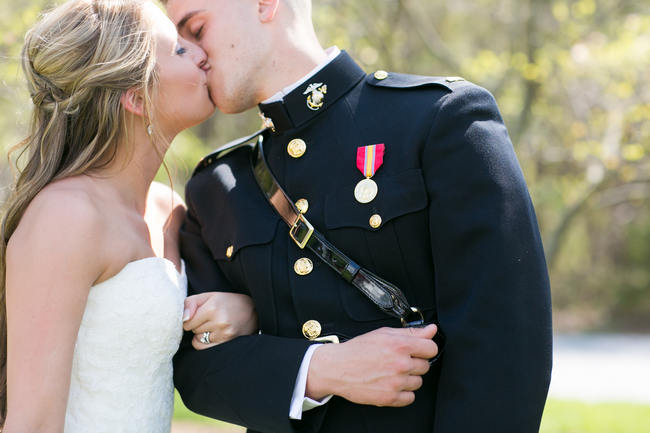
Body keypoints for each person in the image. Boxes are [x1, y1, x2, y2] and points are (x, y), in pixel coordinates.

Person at [167, 0, 553, 433]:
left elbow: (504, 351)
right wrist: (319, 369)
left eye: (196, 29)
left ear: (264, 4)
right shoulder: (216, 184)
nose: (191, 54)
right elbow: (196, 369)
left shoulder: (440, 121)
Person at [0, 0, 257, 432]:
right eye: (178, 50)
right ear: (136, 98)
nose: (200, 52)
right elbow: (35, 422)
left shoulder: (170, 209)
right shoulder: (66, 216)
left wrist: (244, 312)